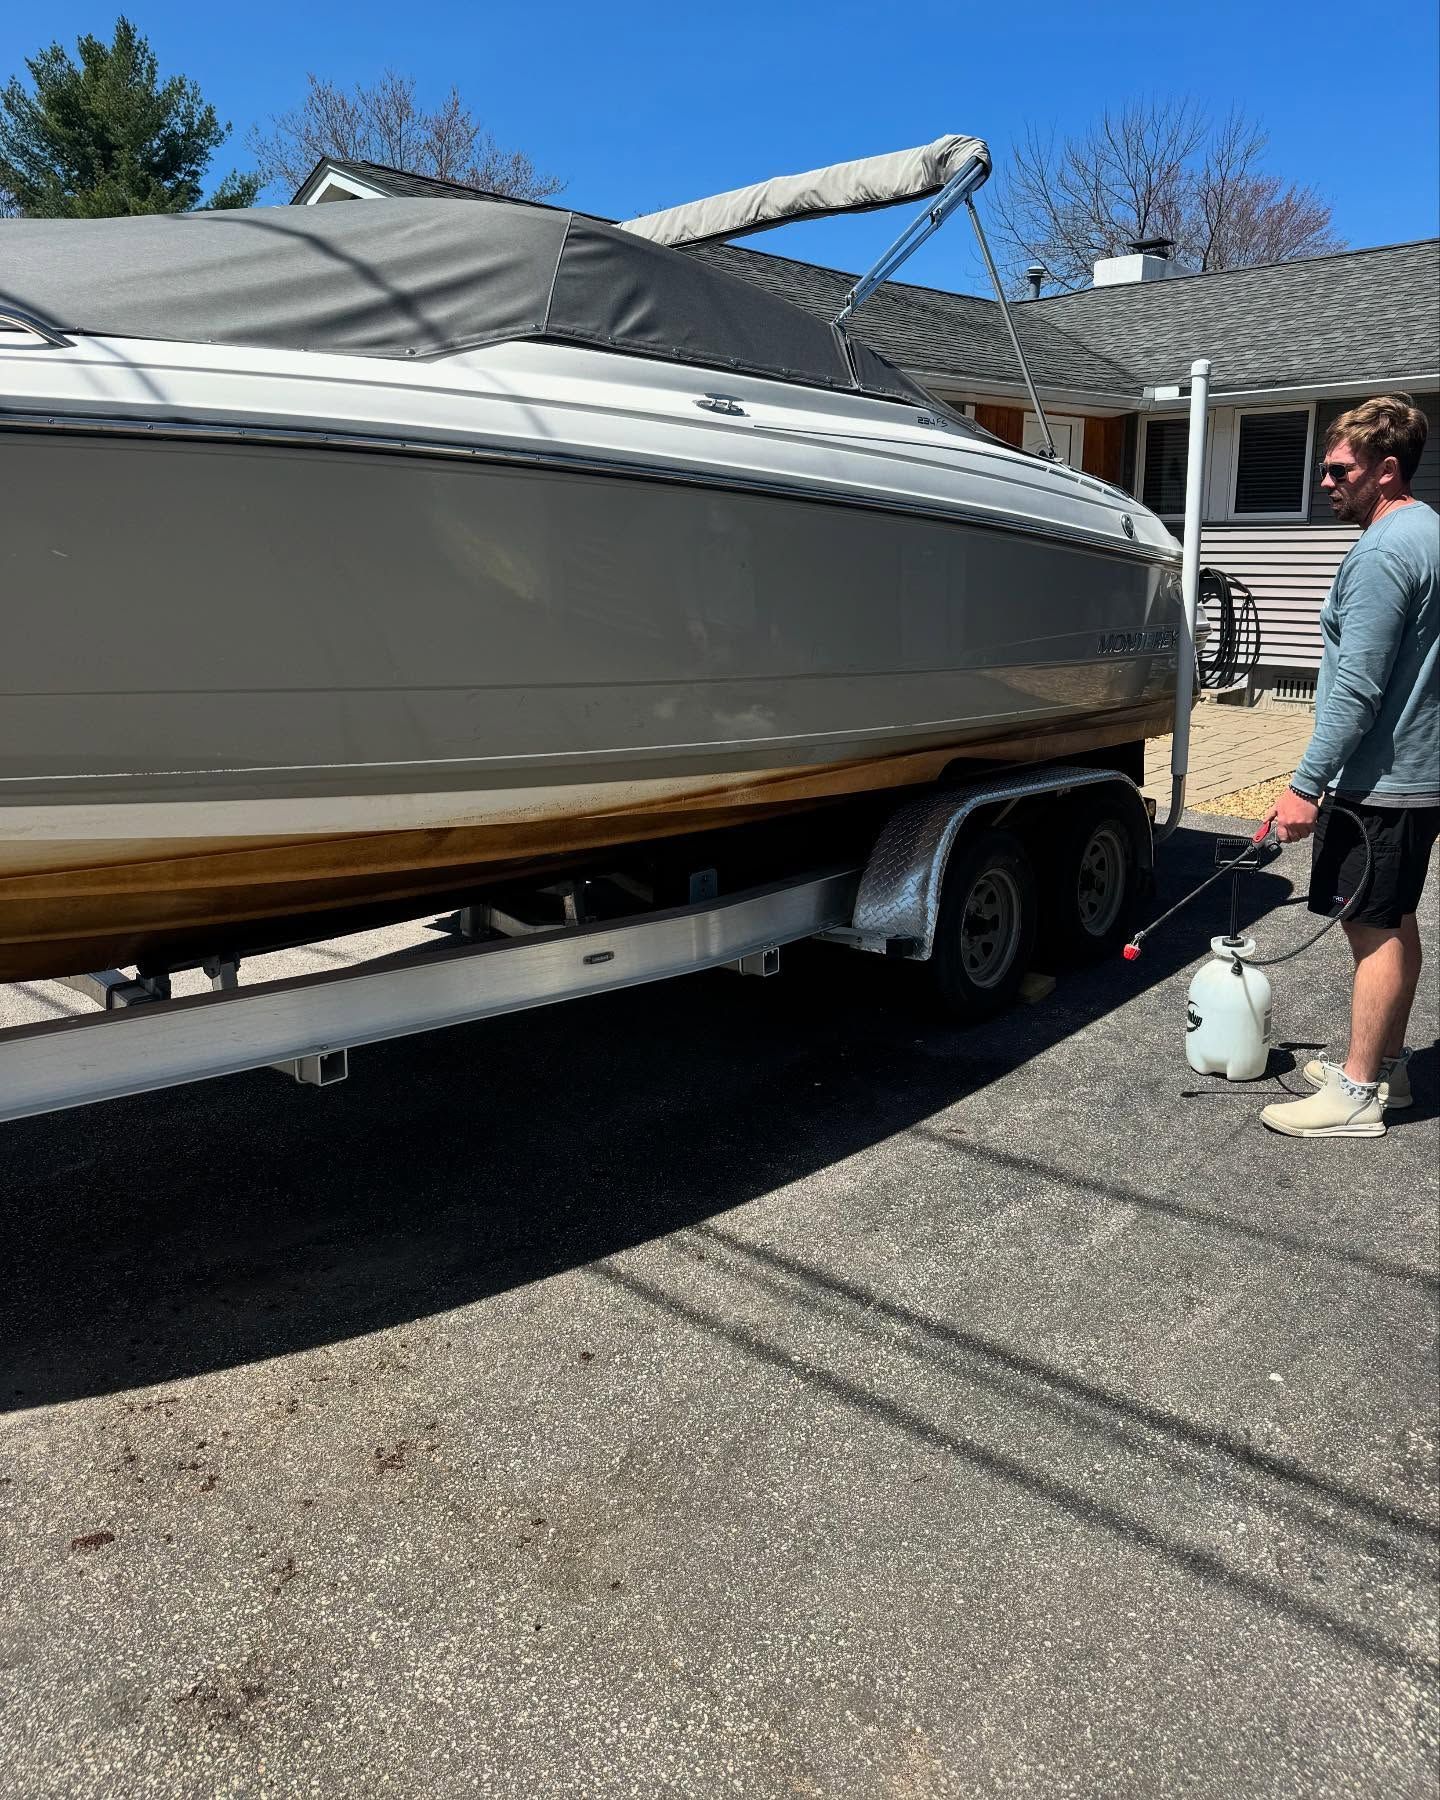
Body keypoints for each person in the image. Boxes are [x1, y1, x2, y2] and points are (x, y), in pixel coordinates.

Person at [1259, 393, 1438, 1139]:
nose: (1324, 484)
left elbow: (1358, 687)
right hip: (1416, 772)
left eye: (1339, 471)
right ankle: (1387, 1067)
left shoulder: (1381, 554)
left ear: (1386, 471)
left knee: (1370, 929)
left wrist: (1305, 786)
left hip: (1381, 779)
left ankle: (1359, 1090)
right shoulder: (1428, 530)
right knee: (1392, 918)